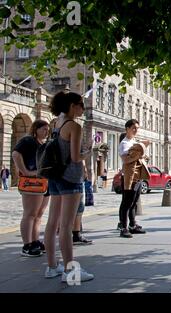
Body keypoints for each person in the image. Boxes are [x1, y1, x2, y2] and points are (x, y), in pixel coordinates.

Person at [43, 91, 94, 283]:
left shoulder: (57, 122)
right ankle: (70, 270)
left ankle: (51, 266)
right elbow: (75, 157)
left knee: (52, 223)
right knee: (66, 225)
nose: (83, 109)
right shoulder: (74, 125)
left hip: (55, 177)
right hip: (70, 178)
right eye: (81, 105)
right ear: (73, 106)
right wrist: (87, 153)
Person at [12, 120, 50, 257]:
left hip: (44, 181)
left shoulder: (43, 143)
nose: (46, 131)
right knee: (30, 213)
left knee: (38, 214)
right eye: (44, 129)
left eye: (48, 129)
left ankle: (35, 240)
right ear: (36, 129)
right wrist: (25, 171)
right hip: (32, 181)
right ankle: (26, 244)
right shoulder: (28, 140)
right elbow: (16, 154)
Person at [117, 120, 150, 238]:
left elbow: (137, 156)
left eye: (137, 128)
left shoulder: (134, 142)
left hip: (138, 176)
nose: (135, 130)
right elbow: (126, 159)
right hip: (129, 177)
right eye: (133, 128)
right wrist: (138, 155)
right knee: (127, 202)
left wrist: (142, 156)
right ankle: (123, 227)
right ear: (127, 129)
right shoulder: (124, 143)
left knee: (134, 202)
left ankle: (132, 225)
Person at [72, 162, 93, 245]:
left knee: (80, 208)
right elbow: (77, 157)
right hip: (73, 177)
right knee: (72, 208)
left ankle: (76, 234)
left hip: (79, 177)